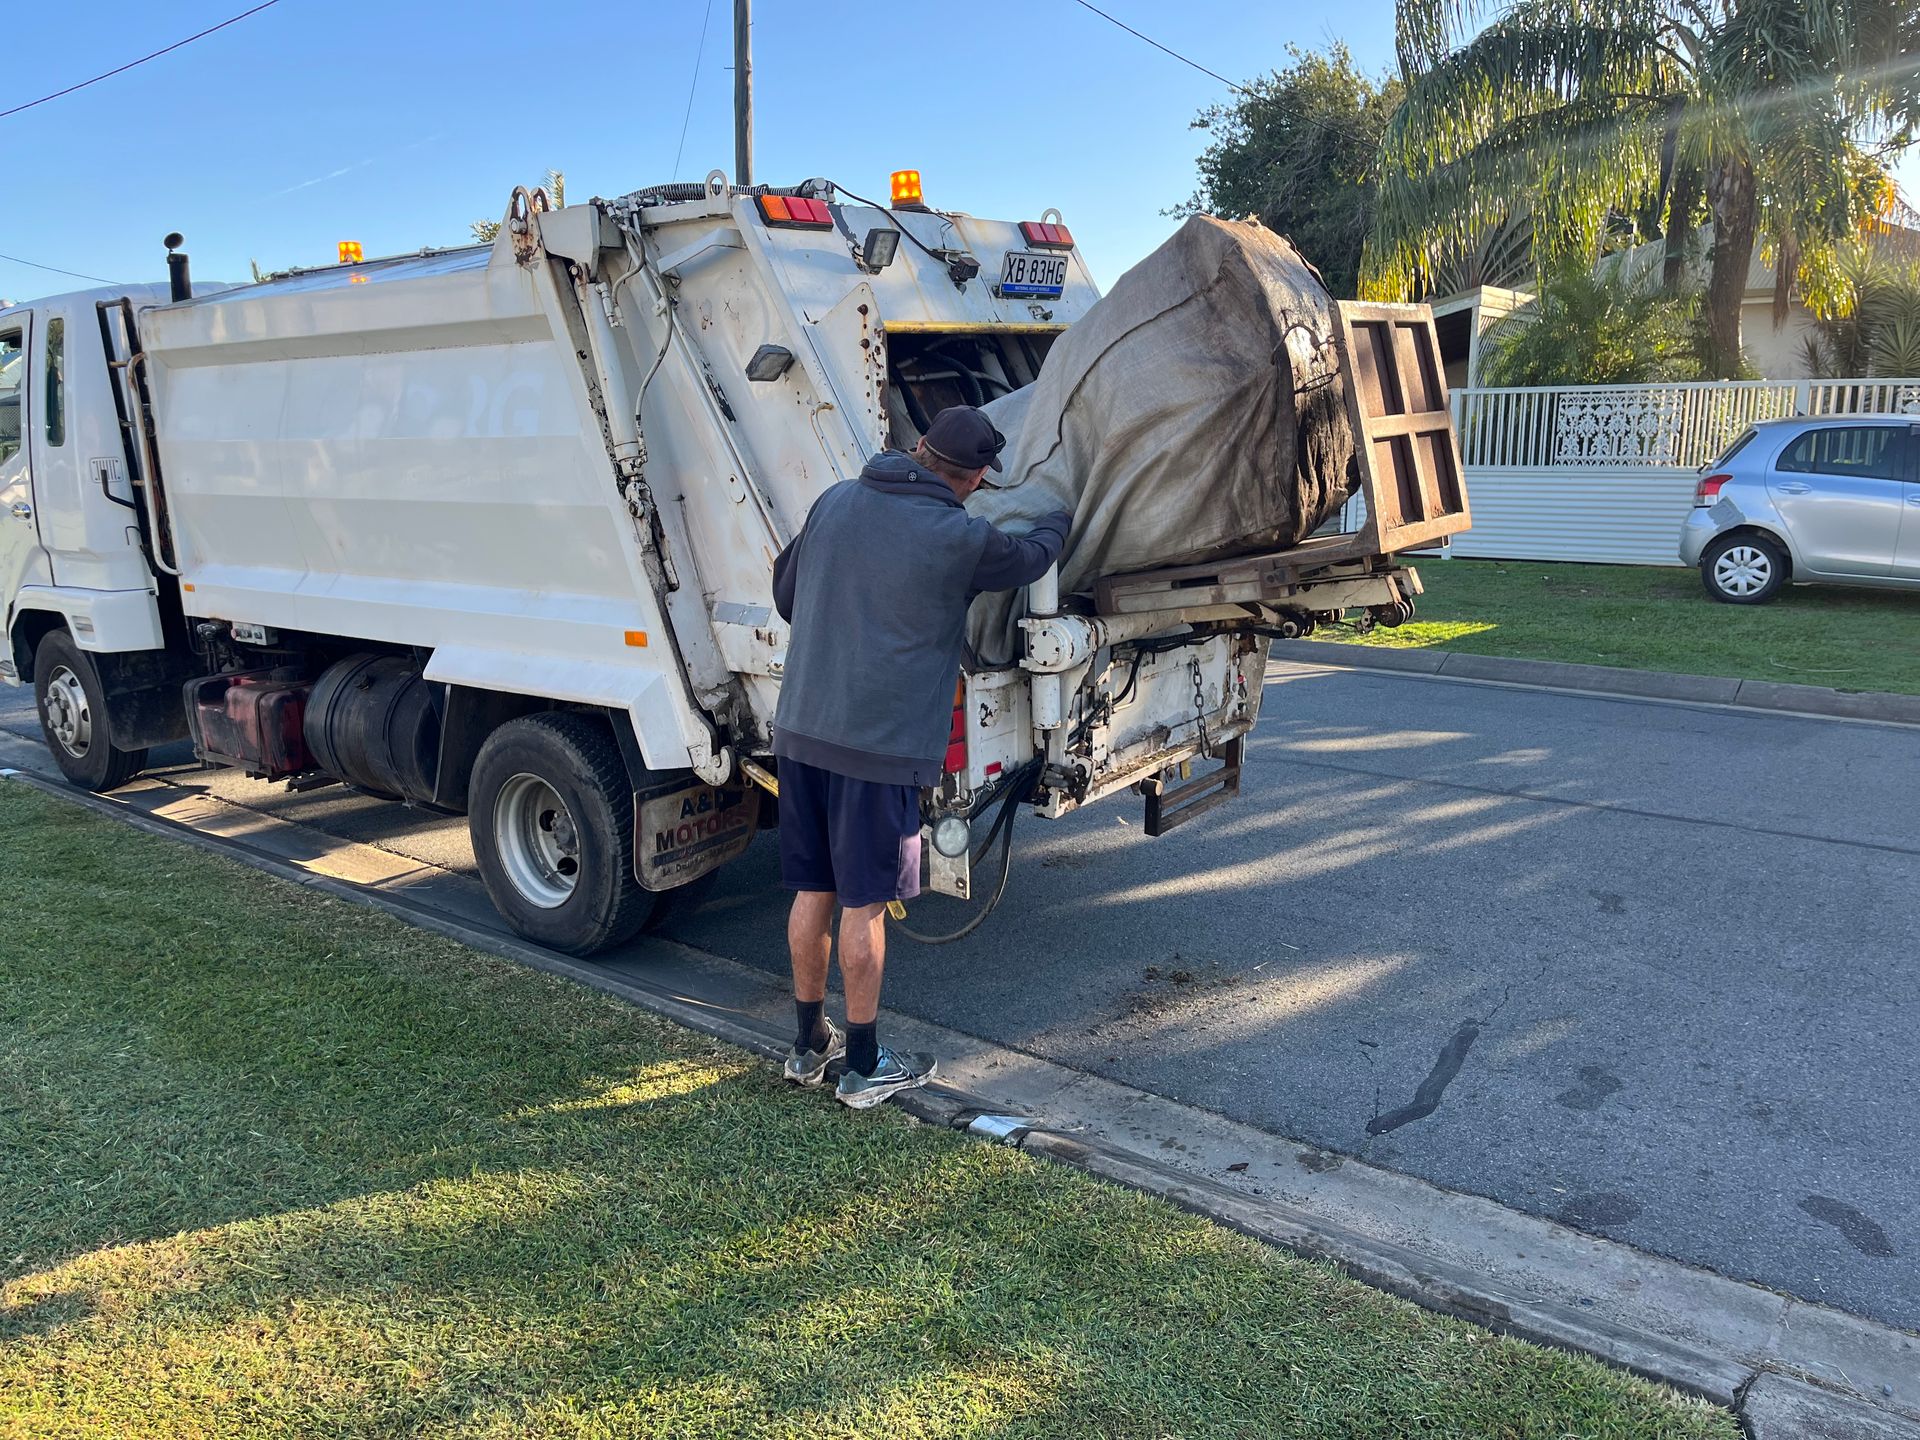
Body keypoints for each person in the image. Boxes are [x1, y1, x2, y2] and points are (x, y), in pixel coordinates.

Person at [769, 405, 1072, 1109]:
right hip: (878, 747)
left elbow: (787, 597)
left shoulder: (835, 500)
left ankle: (809, 1045)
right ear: (972, 478)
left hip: (803, 732)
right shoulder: (955, 536)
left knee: (813, 888)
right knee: (865, 903)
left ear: (917, 449)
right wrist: (1057, 517)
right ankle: (866, 1065)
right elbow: (1029, 559)